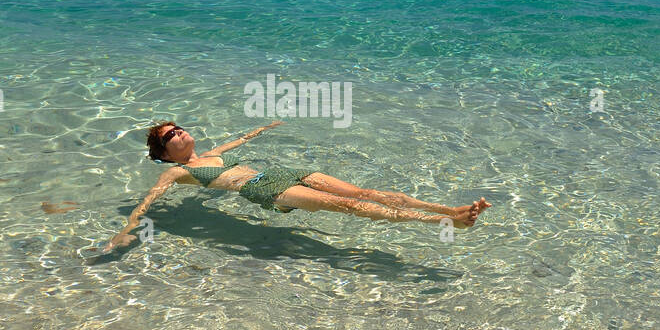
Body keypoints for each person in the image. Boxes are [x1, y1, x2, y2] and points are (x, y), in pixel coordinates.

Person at [99, 120, 489, 252]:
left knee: (364, 193)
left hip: (284, 172)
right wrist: (127, 230)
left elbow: (236, 143)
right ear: (165, 153)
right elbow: (149, 201)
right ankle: (440, 224)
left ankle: (448, 211)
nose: (178, 132)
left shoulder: (211, 153)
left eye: (178, 127)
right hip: (266, 191)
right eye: (170, 135)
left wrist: (261, 129)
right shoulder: (173, 173)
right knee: (351, 208)